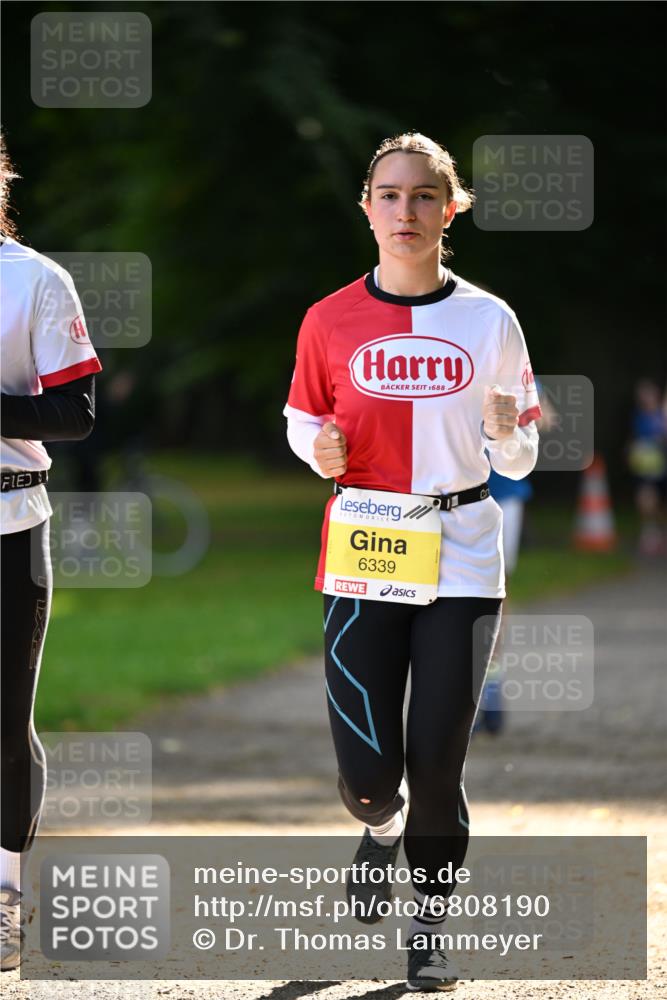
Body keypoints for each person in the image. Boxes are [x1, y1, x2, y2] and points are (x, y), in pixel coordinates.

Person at [283, 132, 541, 991]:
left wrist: (505, 427)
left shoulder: (488, 319)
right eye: (389, 196)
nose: (406, 211)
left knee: (437, 759)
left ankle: (429, 927)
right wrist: (315, 448)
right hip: (364, 543)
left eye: (424, 196)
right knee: (369, 778)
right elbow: (301, 418)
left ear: (450, 209)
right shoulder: (328, 319)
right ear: (366, 209)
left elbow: (519, 463)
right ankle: (377, 825)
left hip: (462, 551)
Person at [0, 133, 102, 972]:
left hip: (7, 523)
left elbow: (74, 416)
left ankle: (5, 894)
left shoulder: (35, 280)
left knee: (1, 722)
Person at [627, 378, 667, 557]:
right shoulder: (639, 418)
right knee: (646, 500)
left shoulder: (663, 415)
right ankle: (650, 535)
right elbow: (635, 443)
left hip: (662, 469)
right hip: (647, 471)